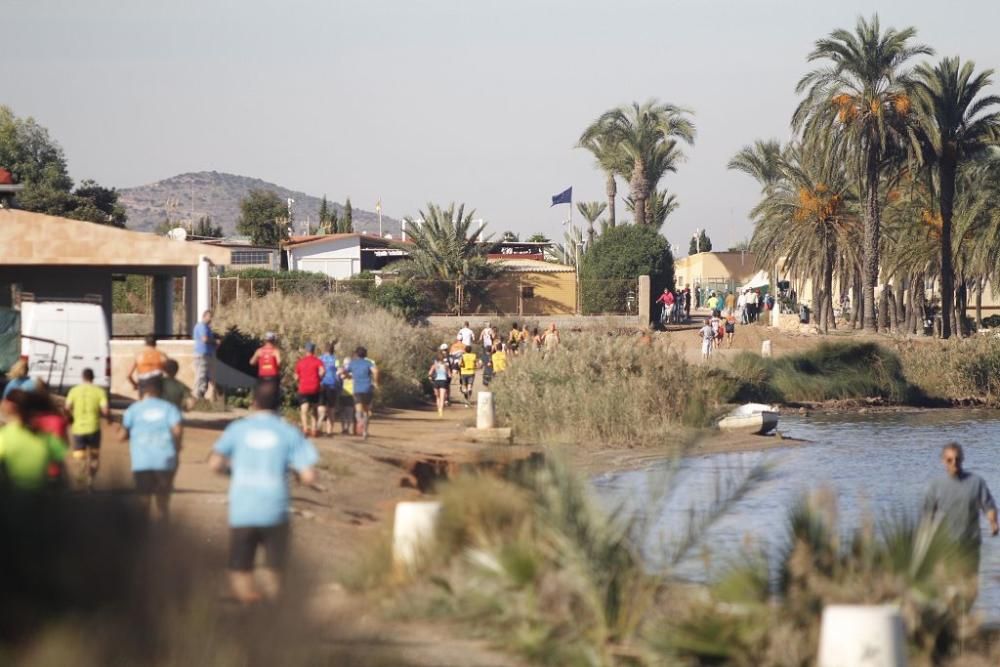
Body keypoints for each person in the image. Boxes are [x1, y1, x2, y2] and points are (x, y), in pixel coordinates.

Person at [209, 382, 318, 605]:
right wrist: (294, 474)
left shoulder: (238, 429)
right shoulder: (289, 432)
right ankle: (271, 608)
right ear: (280, 405)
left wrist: (232, 471)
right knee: (275, 567)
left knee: (239, 567)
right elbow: (309, 476)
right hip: (275, 508)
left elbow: (215, 463)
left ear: (253, 403)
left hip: (243, 508)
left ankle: (249, 603)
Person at [923, 443, 998, 574]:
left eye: (957, 459)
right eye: (949, 460)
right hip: (945, 545)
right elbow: (927, 515)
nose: (954, 463)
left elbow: (989, 506)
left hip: (970, 543)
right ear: (943, 461)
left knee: (969, 586)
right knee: (948, 587)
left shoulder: (976, 482)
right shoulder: (936, 486)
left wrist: (993, 523)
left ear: (962, 459)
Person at [119, 376, 183, 522]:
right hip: (165, 461)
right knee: (162, 503)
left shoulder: (133, 410)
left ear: (142, 392)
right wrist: (177, 447)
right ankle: (162, 536)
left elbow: (122, 436)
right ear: (160, 391)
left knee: (143, 502)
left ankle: (144, 537)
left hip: (142, 462)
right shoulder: (170, 408)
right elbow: (177, 431)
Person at [0, 389, 67, 492]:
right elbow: (63, 457)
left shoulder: (5, 435)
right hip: (43, 491)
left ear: (10, 406)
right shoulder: (45, 435)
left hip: (12, 495)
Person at [65, 368, 110, 491]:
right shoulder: (100, 392)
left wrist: (70, 418)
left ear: (82, 377)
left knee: (80, 457)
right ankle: (90, 481)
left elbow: (67, 407)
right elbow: (105, 410)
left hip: (78, 429)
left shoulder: (73, 391)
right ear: (92, 378)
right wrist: (108, 418)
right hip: (94, 428)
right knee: (94, 457)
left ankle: (80, 481)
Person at [345, 347, 379, 439]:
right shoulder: (368, 363)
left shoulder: (353, 363)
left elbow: (345, 371)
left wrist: (347, 376)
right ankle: (365, 431)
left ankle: (360, 422)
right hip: (367, 389)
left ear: (356, 354)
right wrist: (375, 382)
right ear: (366, 355)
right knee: (366, 412)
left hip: (358, 390)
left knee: (358, 411)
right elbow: (375, 371)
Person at [294, 343, 325, 437]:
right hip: (315, 387)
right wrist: (320, 378)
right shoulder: (318, 361)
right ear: (313, 351)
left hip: (303, 387)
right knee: (314, 409)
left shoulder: (300, 362)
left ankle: (305, 429)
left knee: (304, 410)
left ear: (305, 351)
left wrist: (299, 380)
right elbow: (322, 371)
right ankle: (314, 429)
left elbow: (295, 376)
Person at [192, 310, 217, 400]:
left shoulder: (206, 327)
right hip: (201, 354)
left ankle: (201, 396)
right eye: (210, 317)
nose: (211, 319)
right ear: (204, 316)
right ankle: (196, 396)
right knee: (201, 375)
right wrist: (215, 341)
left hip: (207, 354)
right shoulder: (201, 326)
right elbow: (204, 339)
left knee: (206, 377)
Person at [318, 342, 341, 437]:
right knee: (331, 410)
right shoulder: (336, 359)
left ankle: (318, 429)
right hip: (332, 386)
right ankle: (329, 431)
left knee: (322, 410)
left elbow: (317, 371)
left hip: (322, 385)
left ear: (324, 349)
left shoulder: (320, 358)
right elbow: (339, 371)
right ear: (333, 350)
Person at [428, 351, 451, 417]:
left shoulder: (435, 365)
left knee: (437, 397)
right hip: (443, 381)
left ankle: (439, 409)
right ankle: (441, 410)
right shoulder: (446, 365)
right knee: (442, 397)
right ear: (443, 358)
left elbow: (429, 373)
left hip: (436, 382)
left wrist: (430, 377)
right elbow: (449, 375)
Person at [338, 358, 355, 435]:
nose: (346, 365)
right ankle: (343, 428)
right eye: (345, 364)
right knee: (342, 413)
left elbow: (347, 376)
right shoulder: (341, 371)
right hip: (342, 394)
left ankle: (348, 428)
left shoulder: (353, 372)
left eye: (347, 364)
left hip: (350, 395)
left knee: (349, 413)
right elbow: (339, 377)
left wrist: (343, 372)